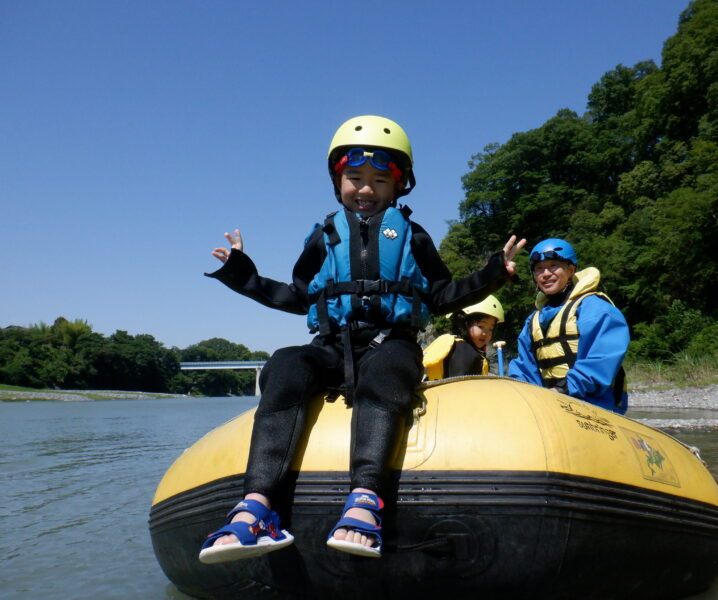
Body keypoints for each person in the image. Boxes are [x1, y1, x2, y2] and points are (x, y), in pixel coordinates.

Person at [198, 115, 527, 563]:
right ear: (339, 182)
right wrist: (243, 275)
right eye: (355, 178)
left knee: (391, 369)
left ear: (398, 186)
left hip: (392, 341)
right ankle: (256, 506)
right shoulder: (324, 236)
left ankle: (366, 499)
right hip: (332, 343)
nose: (366, 189)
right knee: (285, 363)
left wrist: (493, 274)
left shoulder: (414, 235)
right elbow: (297, 296)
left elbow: (442, 294)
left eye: (379, 180)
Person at [507, 238, 629, 414]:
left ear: (571, 270)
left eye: (553, 266)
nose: (545, 274)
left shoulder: (595, 308)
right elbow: (524, 369)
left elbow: (601, 360)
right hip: (554, 405)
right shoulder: (533, 321)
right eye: (539, 269)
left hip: (598, 405)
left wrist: (563, 389)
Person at [422, 294, 505, 380]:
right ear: (464, 323)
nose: (485, 333)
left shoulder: (452, 344)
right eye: (481, 326)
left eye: (491, 329)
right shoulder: (465, 352)